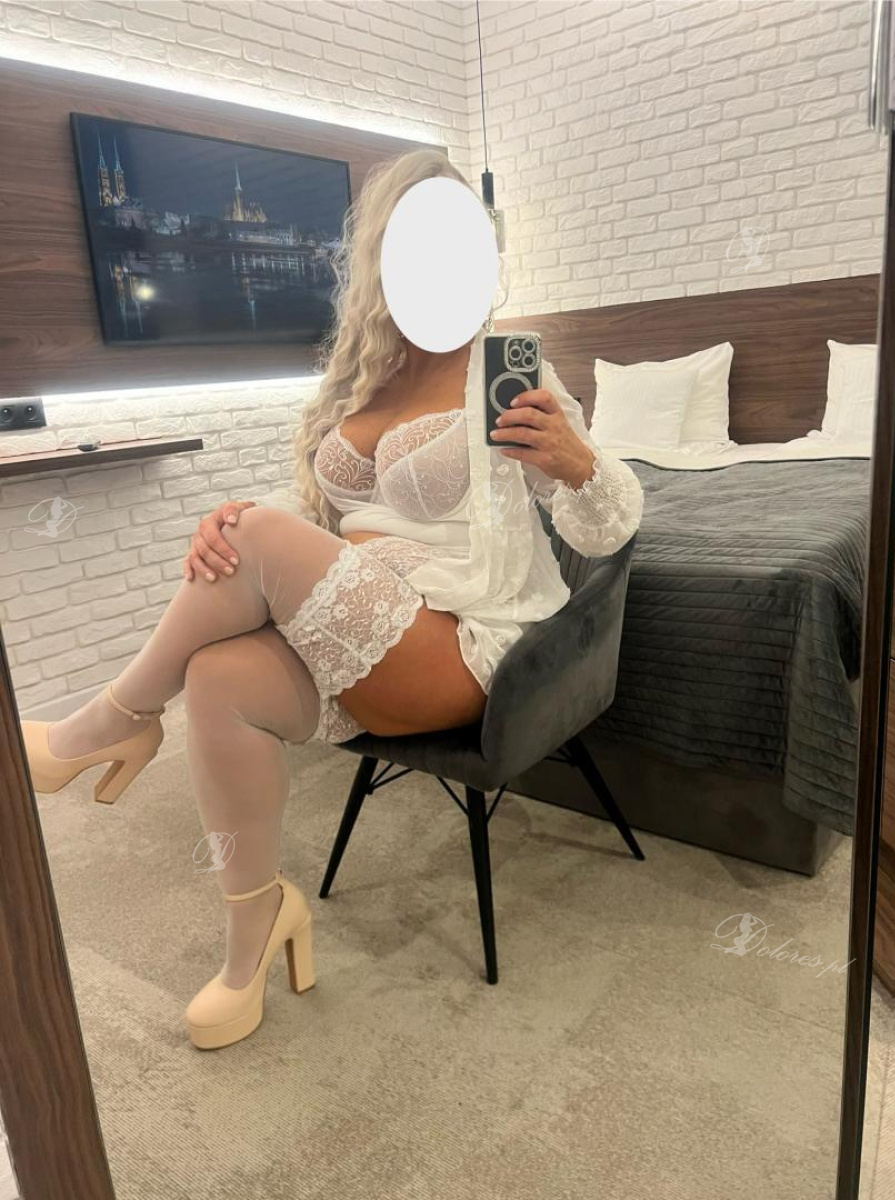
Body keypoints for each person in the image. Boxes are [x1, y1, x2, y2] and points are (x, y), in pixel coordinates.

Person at [21, 149, 643, 1049]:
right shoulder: (361, 379)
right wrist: (235, 529)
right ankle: (250, 943)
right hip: (364, 635)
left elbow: (607, 531)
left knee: (256, 537)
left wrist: (578, 464)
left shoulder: (508, 375)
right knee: (216, 676)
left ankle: (110, 722)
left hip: (461, 642)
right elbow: (325, 522)